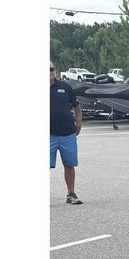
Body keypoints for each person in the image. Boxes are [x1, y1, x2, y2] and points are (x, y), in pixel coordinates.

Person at [50, 61, 83, 204]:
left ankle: (71, 194)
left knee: (69, 164)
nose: (49, 72)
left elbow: (77, 107)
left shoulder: (65, 87)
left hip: (67, 133)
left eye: (51, 69)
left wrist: (79, 123)